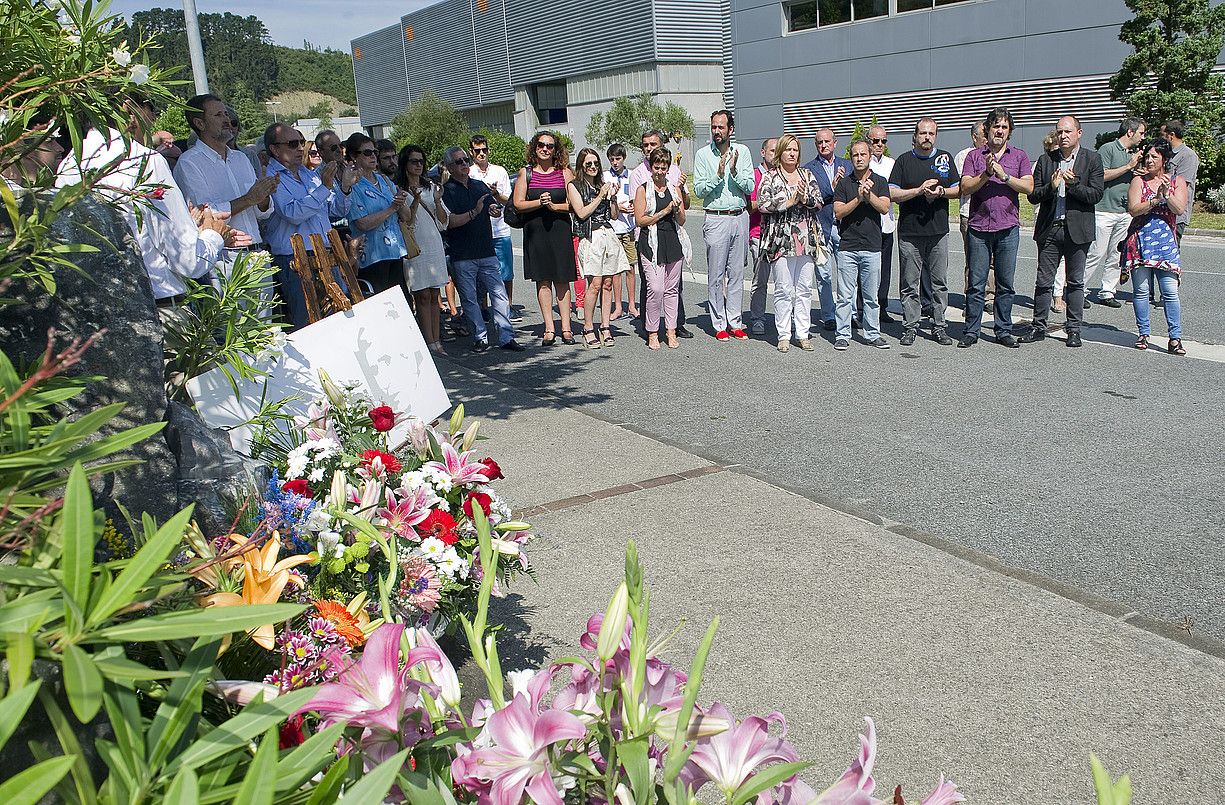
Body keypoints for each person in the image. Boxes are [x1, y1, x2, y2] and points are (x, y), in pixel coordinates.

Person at [55, 95, 248, 314]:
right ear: (130, 109)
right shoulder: (144, 160)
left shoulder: (69, 166)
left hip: (102, 310)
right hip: (160, 308)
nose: (153, 119)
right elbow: (188, 260)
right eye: (151, 109)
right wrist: (214, 234)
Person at [1022, 115, 1104, 348]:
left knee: (1076, 282)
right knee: (1043, 280)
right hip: (1050, 228)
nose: (1063, 136)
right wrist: (1052, 186)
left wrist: (1074, 184)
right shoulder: (1045, 160)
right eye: (1059, 132)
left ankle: (1074, 329)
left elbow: (1096, 195)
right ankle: (1038, 326)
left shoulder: (1092, 160)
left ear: (1079, 133)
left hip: (1078, 230)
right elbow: (1033, 195)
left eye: (1068, 132)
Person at [957, 107, 1032, 348]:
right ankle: (971, 330)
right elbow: (966, 186)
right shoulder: (974, 156)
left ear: (1009, 131)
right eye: (995, 126)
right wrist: (987, 174)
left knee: (1006, 283)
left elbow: (1029, 187)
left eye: (1004, 127)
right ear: (987, 130)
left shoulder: (1018, 156)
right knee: (977, 283)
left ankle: (1003, 330)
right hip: (978, 227)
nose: (999, 131)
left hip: (1008, 227)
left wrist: (1005, 176)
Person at [264, 122, 351, 328]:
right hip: (295, 259)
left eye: (301, 142)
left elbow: (335, 211)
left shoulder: (307, 174)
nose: (300, 148)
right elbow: (292, 213)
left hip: (325, 254)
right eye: (293, 143)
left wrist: (345, 187)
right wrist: (325, 188)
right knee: (308, 323)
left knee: (338, 316)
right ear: (275, 149)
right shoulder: (271, 177)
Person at [174, 93, 278, 260]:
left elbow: (261, 214)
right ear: (200, 123)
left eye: (226, 114)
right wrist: (249, 198)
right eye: (218, 115)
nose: (227, 120)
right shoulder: (189, 163)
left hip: (258, 254)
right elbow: (205, 216)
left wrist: (264, 195)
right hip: (225, 257)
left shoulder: (241, 158)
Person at [442, 145, 523, 353]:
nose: (464, 165)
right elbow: (449, 222)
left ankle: (506, 336)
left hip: (486, 251)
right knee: (470, 299)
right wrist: (475, 211)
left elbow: (491, 207)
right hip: (463, 254)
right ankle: (480, 337)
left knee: (500, 295)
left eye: (465, 160)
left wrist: (494, 209)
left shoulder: (479, 185)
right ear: (450, 167)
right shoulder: (446, 191)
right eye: (459, 162)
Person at [888, 118, 960, 347]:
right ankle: (910, 327)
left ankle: (939, 326)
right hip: (910, 233)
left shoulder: (946, 159)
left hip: (938, 232)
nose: (927, 137)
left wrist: (941, 192)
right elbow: (892, 193)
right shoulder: (903, 161)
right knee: (910, 283)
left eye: (931, 133)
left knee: (939, 283)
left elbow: (959, 189)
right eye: (922, 133)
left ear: (936, 136)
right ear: (915, 136)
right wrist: (918, 191)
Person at [757, 135, 825, 352]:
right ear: (780, 153)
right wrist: (789, 202)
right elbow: (762, 204)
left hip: (805, 239)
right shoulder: (770, 176)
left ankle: (803, 333)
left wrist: (806, 199)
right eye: (788, 150)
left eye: (795, 150)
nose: (792, 153)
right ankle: (784, 334)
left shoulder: (807, 174)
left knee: (804, 288)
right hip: (780, 240)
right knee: (784, 289)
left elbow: (819, 201)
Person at [1123, 138, 1188, 355]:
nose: (1149, 161)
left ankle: (1175, 338)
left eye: (1154, 156)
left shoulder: (1177, 181)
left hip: (1165, 243)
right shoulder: (1138, 182)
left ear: (1164, 158)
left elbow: (1179, 209)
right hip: (1140, 240)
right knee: (1141, 291)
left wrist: (1167, 194)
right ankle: (1143, 333)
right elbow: (1133, 209)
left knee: (1170, 291)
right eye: (1147, 156)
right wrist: (1155, 199)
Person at [693, 109, 753, 341]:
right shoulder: (702, 155)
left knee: (737, 273)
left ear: (731, 129)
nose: (717, 131)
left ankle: (735, 320)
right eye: (714, 127)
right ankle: (719, 323)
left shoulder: (743, 152)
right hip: (716, 217)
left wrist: (734, 171)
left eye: (721, 127)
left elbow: (749, 187)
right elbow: (698, 190)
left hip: (739, 216)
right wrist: (718, 175)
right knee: (716, 274)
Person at [513, 131, 577, 346]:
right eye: (541, 145)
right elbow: (518, 204)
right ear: (534, 147)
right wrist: (538, 203)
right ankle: (549, 327)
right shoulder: (526, 173)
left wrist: (554, 206)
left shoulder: (565, 173)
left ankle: (566, 327)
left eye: (550, 146)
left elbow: (576, 204)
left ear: (555, 149)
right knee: (543, 280)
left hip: (560, 229)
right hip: (536, 232)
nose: (545, 149)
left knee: (562, 279)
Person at [629, 129, 692, 338]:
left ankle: (674, 327)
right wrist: (663, 211)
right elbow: (638, 214)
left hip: (672, 237)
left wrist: (681, 194)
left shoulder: (674, 173)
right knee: (653, 288)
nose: (649, 148)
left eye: (653, 144)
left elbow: (684, 211)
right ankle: (651, 329)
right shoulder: (638, 175)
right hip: (648, 238)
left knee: (673, 287)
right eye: (645, 145)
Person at [569, 148, 632, 348]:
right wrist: (600, 196)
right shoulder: (575, 186)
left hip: (608, 234)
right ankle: (588, 327)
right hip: (590, 236)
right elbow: (581, 213)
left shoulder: (601, 184)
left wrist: (612, 197)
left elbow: (613, 216)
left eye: (596, 163)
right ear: (581, 166)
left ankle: (605, 326)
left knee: (608, 283)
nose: (593, 167)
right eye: (589, 164)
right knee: (594, 284)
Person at [833, 139, 892, 351]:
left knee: (871, 296)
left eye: (863, 155)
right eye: (855, 155)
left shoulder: (880, 180)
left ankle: (872, 334)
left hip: (872, 246)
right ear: (851, 157)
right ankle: (842, 334)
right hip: (848, 246)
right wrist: (858, 198)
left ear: (869, 157)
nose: (859, 158)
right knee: (844, 296)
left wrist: (869, 195)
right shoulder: (844, 183)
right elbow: (838, 212)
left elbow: (884, 208)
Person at [1081, 118, 1146, 309]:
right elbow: (1100, 176)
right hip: (1104, 210)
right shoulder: (1108, 149)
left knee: (1117, 254)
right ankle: (1078, 290)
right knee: (1096, 252)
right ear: (1130, 132)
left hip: (1124, 211)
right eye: (1141, 133)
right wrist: (1128, 166)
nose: (1143, 137)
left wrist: (1138, 170)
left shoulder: (1134, 153)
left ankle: (1107, 291)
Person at [395, 144, 450, 351]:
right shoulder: (398, 189)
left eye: (421, 161)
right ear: (405, 164)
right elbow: (408, 220)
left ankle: (437, 340)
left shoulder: (431, 187)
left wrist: (436, 201)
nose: (418, 165)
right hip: (415, 244)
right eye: (414, 161)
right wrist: (415, 200)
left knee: (435, 293)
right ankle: (428, 341)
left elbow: (444, 221)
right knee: (422, 295)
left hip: (433, 241)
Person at [344, 132, 407, 295]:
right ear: (353, 156)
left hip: (395, 251)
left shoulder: (384, 180)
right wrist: (391, 208)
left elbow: (406, 217)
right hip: (373, 255)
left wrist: (402, 202)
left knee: (402, 305)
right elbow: (361, 223)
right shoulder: (353, 185)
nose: (373, 156)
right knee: (382, 308)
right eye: (367, 153)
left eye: (374, 152)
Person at [803, 128, 852, 331]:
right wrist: (832, 188)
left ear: (835, 142)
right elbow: (809, 198)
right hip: (821, 226)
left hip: (844, 227)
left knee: (847, 273)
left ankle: (849, 314)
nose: (823, 145)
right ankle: (829, 315)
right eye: (819, 143)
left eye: (826, 142)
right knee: (824, 275)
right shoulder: (808, 169)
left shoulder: (847, 165)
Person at [468, 134, 517, 317]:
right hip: (480, 231)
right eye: (478, 150)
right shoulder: (469, 173)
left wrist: (495, 194)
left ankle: (508, 306)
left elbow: (509, 201)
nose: (482, 154)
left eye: (484, 150)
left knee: (506, 272)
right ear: (471, 152)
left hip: (501, 229)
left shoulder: (500, 171)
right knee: (481, 273)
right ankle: (484, 307)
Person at [954, 122, 990, 309]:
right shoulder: (963, 156)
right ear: (974, 137)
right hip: (969, 213)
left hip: (992, 214)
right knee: (973, 259)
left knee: (992, 261)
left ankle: (990, 296)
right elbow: (964, 186)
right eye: (984, 135)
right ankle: (972, 297)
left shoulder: (994, 154)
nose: (988, 138)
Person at [603, 143, 639, 322]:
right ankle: (617, 306)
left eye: (618, 159)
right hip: (613, 228)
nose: (615, 162)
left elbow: (637, 196)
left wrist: (634, 207)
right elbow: (604, 202)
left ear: (624, 158)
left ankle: (631, 304)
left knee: (630, 267)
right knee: (615, 270)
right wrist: (619, 208)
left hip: (629, 228)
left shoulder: (632, 175)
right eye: (612, 159)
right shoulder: (605, 177)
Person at [748, 137, 779, 335]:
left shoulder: (783, 175)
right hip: (759, 234)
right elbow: (749, 207)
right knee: (760, 280)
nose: (775, 155)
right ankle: (758, 318)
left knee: (785, 283)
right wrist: (766, 200)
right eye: (771, 151)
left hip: (781, 236)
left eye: (778, 151)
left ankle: (783, 319)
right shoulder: (754, 176)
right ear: (762, 152)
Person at [866, 125, 896, 323]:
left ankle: (882, 306)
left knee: (884, 269)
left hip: (887, 223)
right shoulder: (861, 161)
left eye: (883, 141)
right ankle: (862, 307)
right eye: (875, 141)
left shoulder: (892, 163)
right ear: (868, 141)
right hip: (867, 224)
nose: (879, 145)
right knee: (867, 269)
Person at [1161, 120, 1199, 243]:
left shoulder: (1188, 156)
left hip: (1175, 214)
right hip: (1161, 209)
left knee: (1171, 251)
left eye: (1162, 134)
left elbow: (1181, 185)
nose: (1160, 138)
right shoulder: (1167, 154)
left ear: (1171, 135)